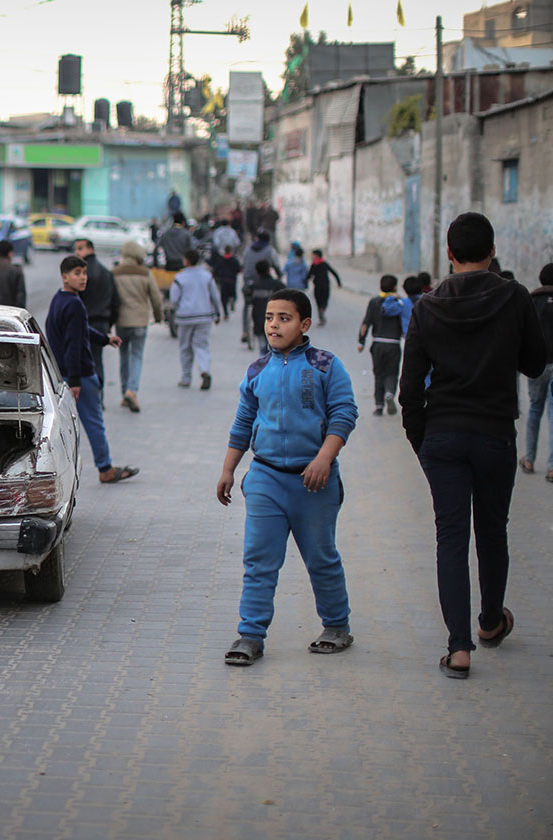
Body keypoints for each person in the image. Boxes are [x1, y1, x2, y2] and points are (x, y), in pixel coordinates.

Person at [399, 212, 546, 679]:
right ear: (493, 249)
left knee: (451, 538)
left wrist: (423, 442)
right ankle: (489, 622)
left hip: (442, 435)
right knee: (493, 531)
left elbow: (408, 389)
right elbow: (536, 363)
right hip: (494, 435)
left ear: (448, 252)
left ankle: (458, 649)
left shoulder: (427, 306)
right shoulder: (515, 297)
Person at [217, 288, 358, 667]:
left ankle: (336, 626)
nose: (274, 325)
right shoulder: (257, 370)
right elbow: (244, 422)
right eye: (269, 317)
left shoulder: (327, 365)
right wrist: (229, 469)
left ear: (304, 324)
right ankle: (250, 635)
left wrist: (324, 459)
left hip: (314, 483)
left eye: (284, 318)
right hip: (265, 479)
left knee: (321, 557)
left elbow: (345, 414)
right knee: (259, 560)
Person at [45, 255, 138, 484]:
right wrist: (76, 380)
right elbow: (73, 344)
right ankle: (105, 468)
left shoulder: (60, 299)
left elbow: (80, 330)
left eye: (84, 273)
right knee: (93, 422)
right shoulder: (74, 304)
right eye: (77, 273)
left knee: (65, 425)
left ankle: (57, 470)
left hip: (62, 375)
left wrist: (105, 339)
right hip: (81, 377)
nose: (82, 278)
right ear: (65, 276)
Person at [113, 238, 164, 411]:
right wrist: (159, 316)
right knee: (136, 356)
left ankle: (124, 393)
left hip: (121, 321)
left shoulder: (115, 273)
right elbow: (156, 298)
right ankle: (132, 391)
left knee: (124, 357)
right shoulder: (145, 273)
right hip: (140, 321)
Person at [73, 238, 121, 405]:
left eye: (80, 249)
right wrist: (109, 323)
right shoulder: (106, 272)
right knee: (97, 360)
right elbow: (116, 301)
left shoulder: (80, 275)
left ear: (90, 249)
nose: (77, 253)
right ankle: (99, 397)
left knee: (81, 361)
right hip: (102, 323)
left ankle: (86, 398)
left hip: (85, 323)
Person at [170, 249, 222, 390]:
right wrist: (217, 314)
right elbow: (215, 297)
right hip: (204, 316)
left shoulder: (180, 277)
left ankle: (186, 378)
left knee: (185, 348)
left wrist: (177, 309)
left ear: (186, 261)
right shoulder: (207, 276)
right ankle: (204, 370)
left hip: (185, 317)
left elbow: (174, 299)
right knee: (201, 345)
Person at [520, 264, 553, 480]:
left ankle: (530, 459)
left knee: (534, 410)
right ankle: (552, 466)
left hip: (538, 363)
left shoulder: (532, 301)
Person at [357, 275, 405, 417]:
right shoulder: (399, 302)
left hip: (377, 343)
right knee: (392, 372)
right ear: (395, 287)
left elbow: (366, 324)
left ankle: (379, 406)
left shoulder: (374, 302)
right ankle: (389, 393)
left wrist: (361, 341)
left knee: (379, 375)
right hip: (393, 344)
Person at [248, 260, 286, 355]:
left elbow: (248, 299)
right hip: (276, 322)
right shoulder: (278, 285)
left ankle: (264, 366)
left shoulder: (253, 286)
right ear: (269, 270)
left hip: (259, 321)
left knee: (263, 348)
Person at [305, 248, 342, 326]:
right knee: (325, 301)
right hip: (325, 286)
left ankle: (321, 317)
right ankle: (323, 309)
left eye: (313, 255)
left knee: (318, 302)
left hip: (317, 287)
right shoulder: (324, 264)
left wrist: (305, 282)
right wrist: (339, 283)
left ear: (316, 255)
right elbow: (334, 273)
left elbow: (308, 276)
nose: (311, 256)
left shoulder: (313, 265)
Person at [209, 244, 241, 320]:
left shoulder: (221, 260)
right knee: (233, 294)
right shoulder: (234, 260)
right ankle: (232, 300)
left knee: (224, 298)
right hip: (232, 280)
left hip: (223, 281)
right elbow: (239, 269)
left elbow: (215, 270)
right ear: (231, 251)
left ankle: (226, 313)